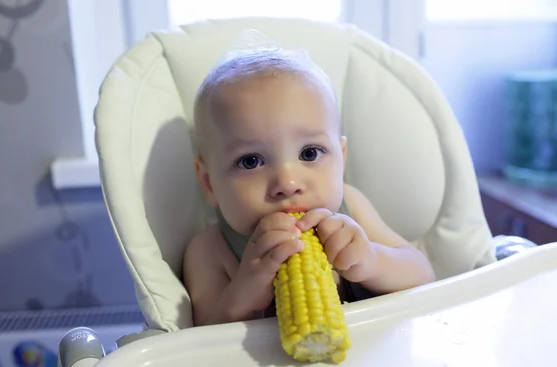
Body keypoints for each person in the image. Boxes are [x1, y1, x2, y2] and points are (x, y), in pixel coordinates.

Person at [182, 45, 435, 327]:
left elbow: (422, 273)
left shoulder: (351, 208)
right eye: (251, 161)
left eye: (310, 153)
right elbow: (200, 337)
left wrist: (372, 261)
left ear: (341, 159)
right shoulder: (209, 250)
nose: (288, 184)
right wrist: (246, 290)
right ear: (209, 183)